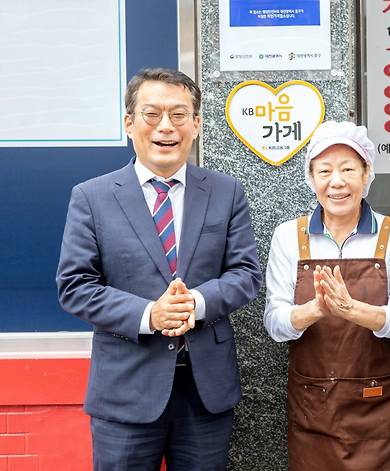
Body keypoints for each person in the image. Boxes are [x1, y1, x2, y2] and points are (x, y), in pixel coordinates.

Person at [56, 68, 261, 470]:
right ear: (129, 123)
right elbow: (75, 285)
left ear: (197, 124)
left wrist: (196, 304)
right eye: (152, 114)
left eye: (179, 115)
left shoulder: (226, 192)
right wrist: (150, 314)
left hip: (204, 393)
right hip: (126, 390)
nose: (166, 127)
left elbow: (246, 273)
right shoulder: (92, 197)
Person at [264, 121, 390, 470]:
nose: (337, 181)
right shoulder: (289, 236)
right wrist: (315, 310)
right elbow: (275, 324)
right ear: (311, 178)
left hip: (380, 408)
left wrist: (353, 309)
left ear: (367, 175)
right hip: (313, 409)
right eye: (325, 170)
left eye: (349, 169)